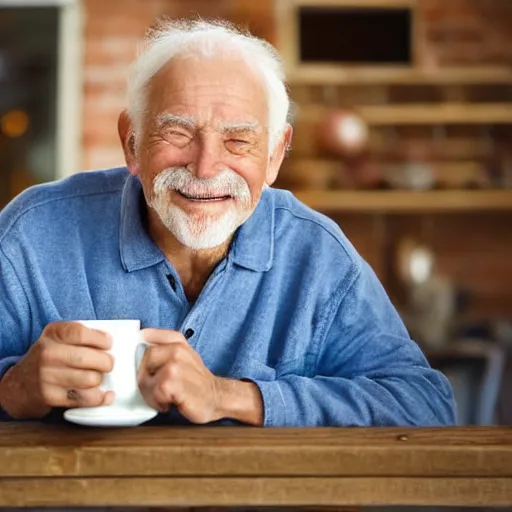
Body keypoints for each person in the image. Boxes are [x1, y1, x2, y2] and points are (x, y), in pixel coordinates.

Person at [0, 19, 455, 426]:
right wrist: (15, 388)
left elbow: (424, 405)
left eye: (238, 140)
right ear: (132, 142)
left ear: (275, 154)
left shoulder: (316, 254)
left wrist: (233, 397)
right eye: (177, 133)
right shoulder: (32, 235)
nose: (205, 167)